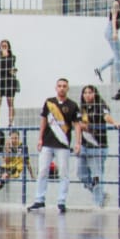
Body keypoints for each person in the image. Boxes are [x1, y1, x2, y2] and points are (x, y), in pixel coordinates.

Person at [28, 78, 80, 213]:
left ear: (67, 88)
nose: (62, 88)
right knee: (43, 171)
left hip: (63, 144)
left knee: (63, 173)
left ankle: (61, 201)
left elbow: (77, 125)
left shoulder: (73, 105)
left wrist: (78, 142)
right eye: (59, 86)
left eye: (64, 86)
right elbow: (43, 120)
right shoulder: (49, 102)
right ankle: (39, 200)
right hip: (47, 143)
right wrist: (40, 138)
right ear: (55, 88)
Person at [75, 83, 120, 207]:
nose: (87, 95)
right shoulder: (81, 109)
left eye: (90, 92)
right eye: (85, 92)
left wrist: (114, 122)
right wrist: (77, 143)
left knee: (97, 175)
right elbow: (78, 126)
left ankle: (98, 204)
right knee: (81, 174)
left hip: (98, 145)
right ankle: (102, 195)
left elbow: (106, 116)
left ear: (94, 94)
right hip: (84, 146)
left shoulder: (100, 106)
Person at [94, 0, 120, 87]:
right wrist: (114, 32)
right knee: (118, 56)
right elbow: (113, 18)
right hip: (111, 30)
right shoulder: (116, 4)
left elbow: (119, 19)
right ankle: (119, 79)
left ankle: (100, 69)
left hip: (112, 30)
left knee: (119, 56)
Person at [0, 39, 19, 127]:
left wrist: (6, 57)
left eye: (6, 46)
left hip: (9, 81)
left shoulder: (12, 57)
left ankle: (10, 123)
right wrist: (2, 58)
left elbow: (11, 67)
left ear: (8, 47)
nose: (4, 47)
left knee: (10, 102)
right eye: (2, 46)